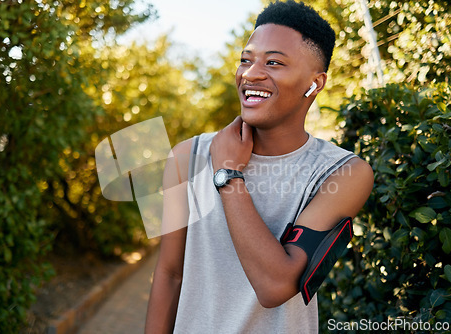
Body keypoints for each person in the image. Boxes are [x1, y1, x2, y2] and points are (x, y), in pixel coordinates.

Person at [145, 1, 374, 333]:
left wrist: (228, 175)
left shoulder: (342, 173)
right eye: (245, 60)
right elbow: (170, 273)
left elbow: (276, 287)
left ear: (315, 83)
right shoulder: (188, 156)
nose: (250, 73)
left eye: (274, 62)